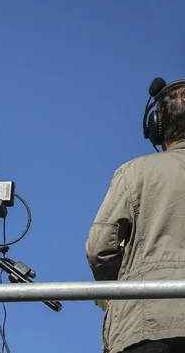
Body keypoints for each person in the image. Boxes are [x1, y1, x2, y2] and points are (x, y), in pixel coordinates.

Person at [85, 78, 185, 353]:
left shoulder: (135, 172)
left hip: (147, 326)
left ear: (156, 127)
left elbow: (99, 250)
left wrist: (128, 285)